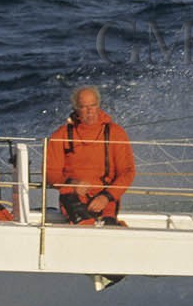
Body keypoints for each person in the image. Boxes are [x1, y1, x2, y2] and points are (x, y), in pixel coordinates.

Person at [45, 85, 135, 225]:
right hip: (73, 196)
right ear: (76, 109)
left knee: (108, 227)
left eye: (93, 106)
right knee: (84, 224)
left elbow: (127, 172)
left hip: (105, 196)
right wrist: (73, 184)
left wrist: (106, 197)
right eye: (84, 107)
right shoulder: (61, 135)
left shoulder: (115, 133)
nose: (90, 111)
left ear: (98, 105)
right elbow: (50, 174)